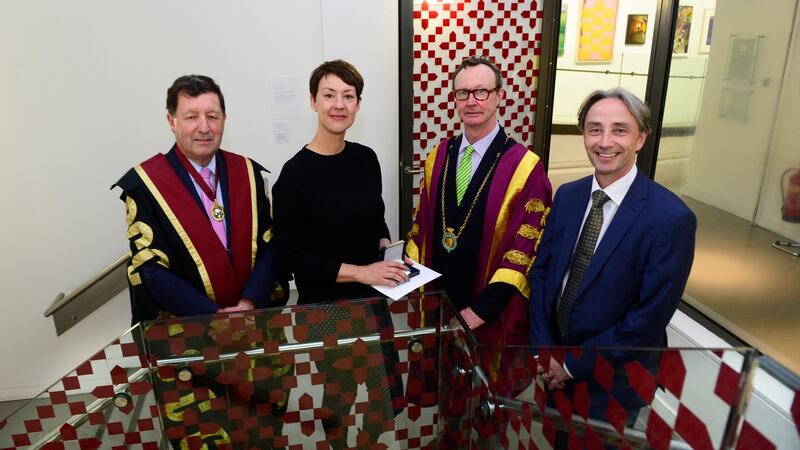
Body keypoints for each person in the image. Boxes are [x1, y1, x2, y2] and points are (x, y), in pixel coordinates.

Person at [114, 75, 288, 449]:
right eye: (191, 116)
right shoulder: (145, 185)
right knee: (201, 435)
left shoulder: (248, 173)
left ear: (225, 118)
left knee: (260, 431)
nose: (204, 127)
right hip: (187, 343)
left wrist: (246, 305)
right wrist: (213, 316)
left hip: (253, 330)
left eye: (213, 115)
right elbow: (149, 269)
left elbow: (270, 246)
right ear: (171, 120)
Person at [528, 88, 696, 441]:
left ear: (641, 138)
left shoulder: (671, 218)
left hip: (613, 380)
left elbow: (647, 318)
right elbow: (543, 274)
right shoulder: (569, 195)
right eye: (594, 129)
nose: (605, 142)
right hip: (553, 367)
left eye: (619, 130)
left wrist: (572, 364)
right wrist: (545, 350)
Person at [272, 59, 403, 449]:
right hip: (326, 311)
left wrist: (386, 248)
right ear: (313, 102)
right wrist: (362, 272)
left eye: (348, 96)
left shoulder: (366, 159)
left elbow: (375, 222)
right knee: (341, 403)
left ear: (358, 104)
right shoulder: (293, 175)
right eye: (329, 95)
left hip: (373, 302)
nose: (339, 104)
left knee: (384, 400)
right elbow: (292, 258)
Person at [405, 56, 552, 389]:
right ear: (454, 99)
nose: (472, 101)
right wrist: (408, 269)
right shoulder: (438, 155)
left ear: (499, 96)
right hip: (440, 299)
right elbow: (423, 227)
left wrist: (480, 311)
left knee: (485, 396)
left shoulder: (525, 167)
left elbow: (524, 251)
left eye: (481, 91)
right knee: (444, 383)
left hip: (487, 308)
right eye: (463, 93)